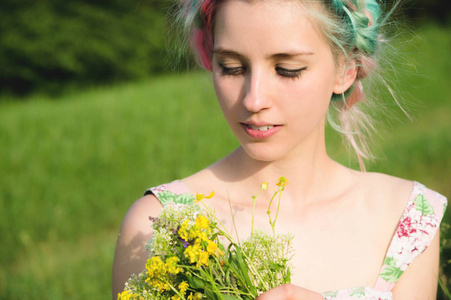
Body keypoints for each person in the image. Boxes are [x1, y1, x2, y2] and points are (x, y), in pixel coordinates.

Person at [112, 0, 447, 298]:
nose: (253, 99)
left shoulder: (407, 220)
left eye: (288, 70)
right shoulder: (159, 224)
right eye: (231, 67)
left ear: (345, 69)